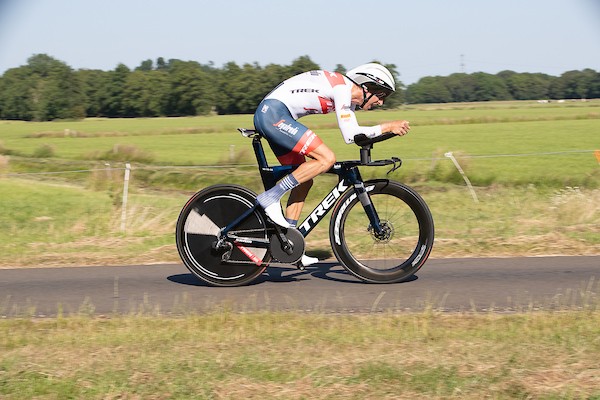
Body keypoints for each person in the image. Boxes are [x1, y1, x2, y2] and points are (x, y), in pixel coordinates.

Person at [253, 62, 411, 266]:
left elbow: (357, 134)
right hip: (274, 115)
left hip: (276, 115)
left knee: (304, 181)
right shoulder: (342, 89)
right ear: (366, 87)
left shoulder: (346, 96)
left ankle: (288, 244)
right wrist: (387, 126)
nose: (380, 102)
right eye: (380, 95)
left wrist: (383, 132)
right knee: (327, 159)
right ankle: (270, 197)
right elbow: (350, 135)